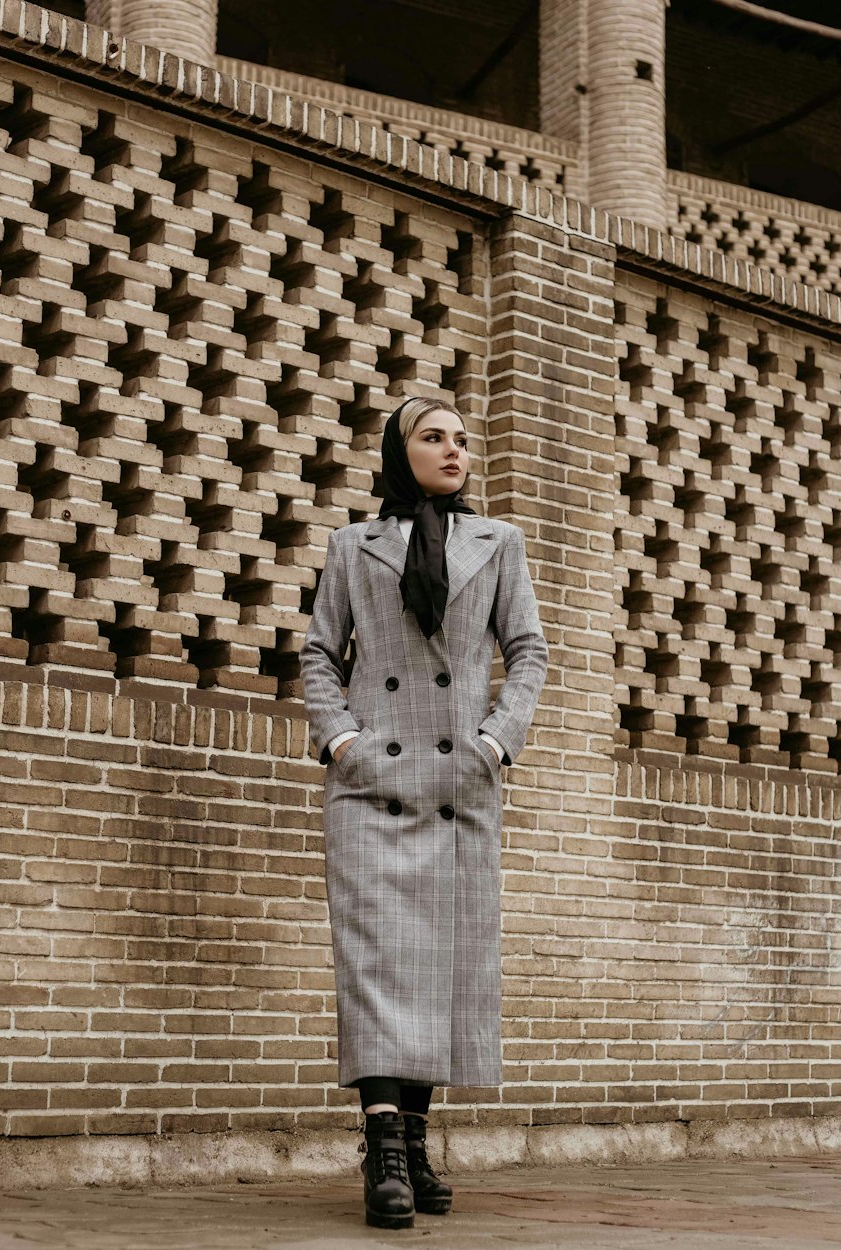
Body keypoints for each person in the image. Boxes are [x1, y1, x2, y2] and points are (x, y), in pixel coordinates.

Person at [299, 397, 548, 1230]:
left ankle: (415, 1135)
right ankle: (383, 1151)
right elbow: (319, 653)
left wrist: (494, 743)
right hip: (372, 783)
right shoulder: (351, 545)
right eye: (433, 436)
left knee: (436, 969)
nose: (455, 449)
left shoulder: (498, 543)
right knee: (377, 967)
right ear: (398, 452)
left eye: (462, 438)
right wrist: (340, 742)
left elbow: (529, 652)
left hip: (459, 785)